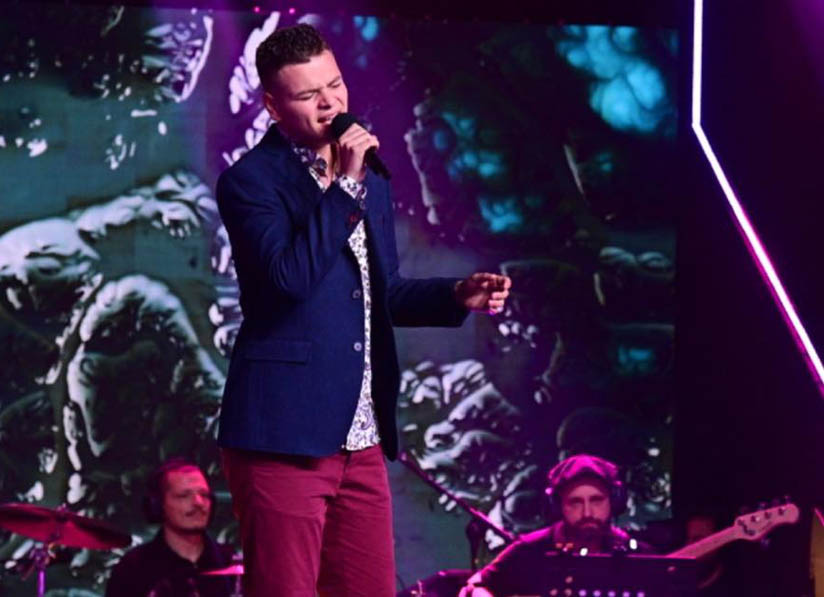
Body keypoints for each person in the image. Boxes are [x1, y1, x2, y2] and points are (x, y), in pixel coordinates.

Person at [215, 23, 512, 597]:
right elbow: (288, 281)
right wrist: (345, 186)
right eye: (309, 95)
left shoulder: (368, 179)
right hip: (284, 437)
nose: (330, 104)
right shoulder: (250, 182)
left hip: (360, 436)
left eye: (335, 85)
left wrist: (456, 295)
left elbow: (381, 293)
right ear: (273, 106)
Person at [459, 454, 650, 597]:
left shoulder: (636, 554)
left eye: (596, 500)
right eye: (575, 502)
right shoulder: (531, 549)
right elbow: (475, 586)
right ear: (558, 506)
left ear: (614, 502)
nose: (587, 513)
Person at [105, 459, 234, 597]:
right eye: (184, 496)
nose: (199, 502)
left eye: (204, 495)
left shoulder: (232, 561)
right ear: (158, 505)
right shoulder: (132, 570)